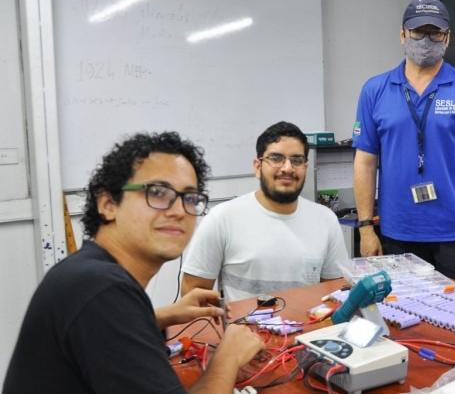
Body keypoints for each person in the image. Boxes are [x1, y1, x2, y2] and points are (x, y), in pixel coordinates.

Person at [3, 132, 264, 394]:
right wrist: (228, 358)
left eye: (190, 197)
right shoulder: (101, 289)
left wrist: (159, 317)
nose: (178, 210)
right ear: (108, 204)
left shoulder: (87, 272)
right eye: (158, 192)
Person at [352, 0, 455, 286]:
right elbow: (365, 163)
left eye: (435, 33)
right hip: (398, 233)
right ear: (402, 34)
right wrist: (366, 228)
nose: (426, 40)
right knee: (403, 320)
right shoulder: (375, 90)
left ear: (447, 38)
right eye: (419, 32)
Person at [181, 121, 348, 301]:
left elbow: (334, 292)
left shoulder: (325, 220)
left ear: (305, 167)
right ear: (258, 166)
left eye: (297, 160)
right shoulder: (222, 219)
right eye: (276, 158)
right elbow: (192, 294)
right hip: (242, 328)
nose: (287, 168)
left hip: (311, 328)